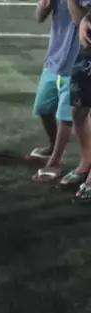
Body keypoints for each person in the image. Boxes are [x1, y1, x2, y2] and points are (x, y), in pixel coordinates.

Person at [29, 0, 80, 185]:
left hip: (77, 65)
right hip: (54, 60)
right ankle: (52, 146)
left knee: (64, 117)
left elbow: (79, 18)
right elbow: (39, 17)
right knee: (43, 108)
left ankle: (55, 162)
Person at [67, 2, 91, 200]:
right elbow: (77, 18)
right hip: (87, 53)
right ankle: (86, 161)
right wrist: (86, 19)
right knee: (78, 110)